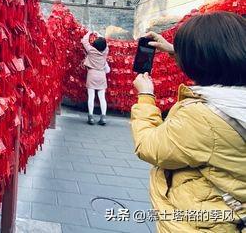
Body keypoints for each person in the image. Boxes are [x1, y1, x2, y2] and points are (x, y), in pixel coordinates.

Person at [131, 12, 246, 233]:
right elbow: (220, 65)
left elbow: (148, 146)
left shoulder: (203, 118)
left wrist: (146, 97)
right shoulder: (236, 100)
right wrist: (177, 50)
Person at [81, 30, 110, 125]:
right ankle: (103, 117)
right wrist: (98, 34)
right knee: (102, 98)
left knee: (91, 97)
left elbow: (84, 41)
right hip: (102, 75)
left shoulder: (91, 50)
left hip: (92, 74)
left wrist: (89, 33)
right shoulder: (105, 52)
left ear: (94, 45)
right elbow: (105, 43)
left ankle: (91, 117)